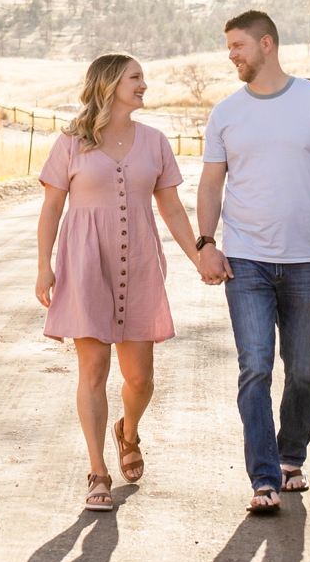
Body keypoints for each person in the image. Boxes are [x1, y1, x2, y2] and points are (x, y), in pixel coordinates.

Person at [193, 11, 310, 516]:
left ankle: (292, 456)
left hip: (306, 258)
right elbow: (210, 183)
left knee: (304, 371)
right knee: (255, 367)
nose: (231, 54)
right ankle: (265, 479)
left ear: (266, 44)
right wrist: (206, 242)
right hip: (245, 259)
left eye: (238, 45)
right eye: (228, 47)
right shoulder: (226, 113)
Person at [36, 53, 204, 511]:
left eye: (143, 78)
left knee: (140, 377)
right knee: (92, 371)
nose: (144, 85)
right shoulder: (70, 142)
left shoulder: (154, 142)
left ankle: (127, 432)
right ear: (109, 85)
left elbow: (170, 208)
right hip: (85, 265)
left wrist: (199, 255)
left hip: (141, 265)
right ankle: (98, 472)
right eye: (136, 78)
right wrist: (43, 265)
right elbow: (52, 208)